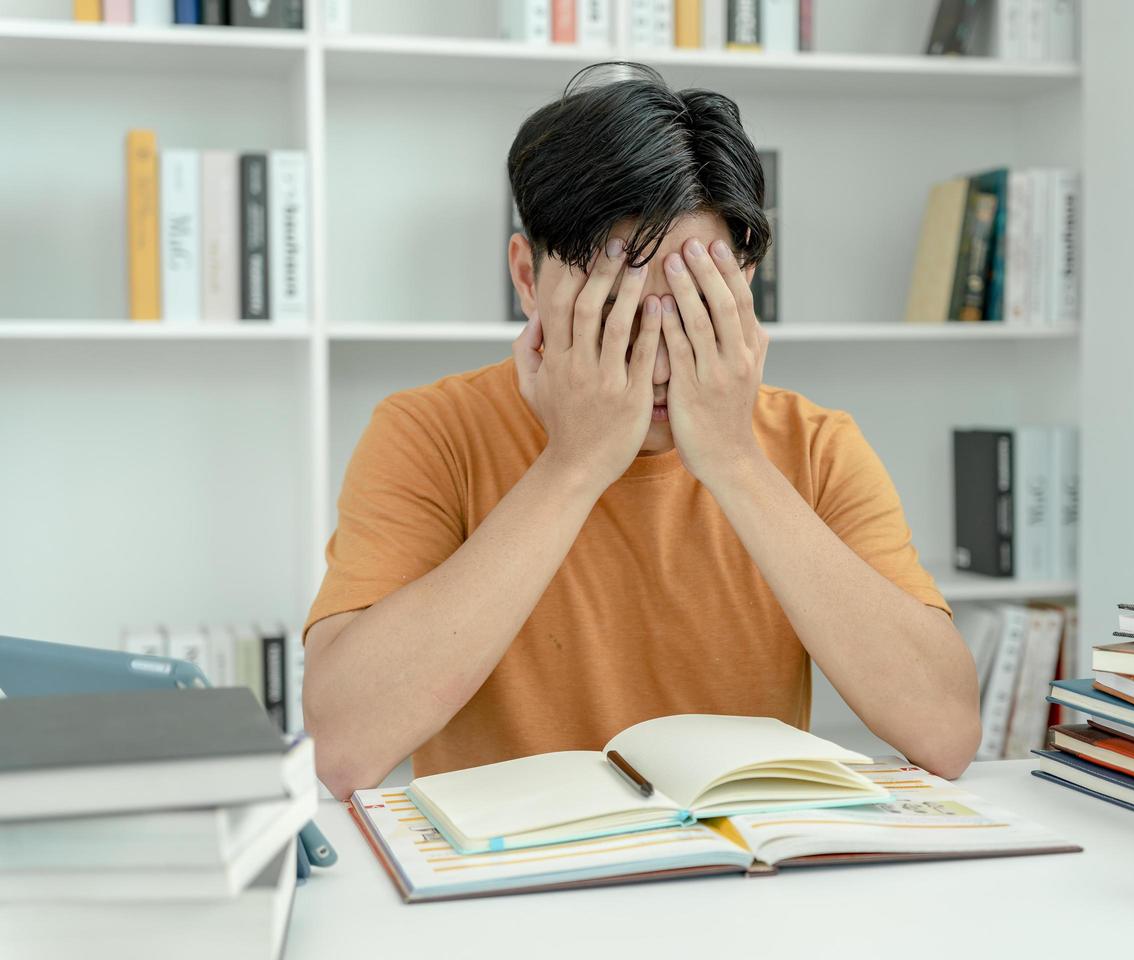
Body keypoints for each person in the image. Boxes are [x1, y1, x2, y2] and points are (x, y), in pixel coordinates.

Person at [302, 63, 979, 799]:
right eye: (614, 307)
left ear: (743, 285)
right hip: (510, 889)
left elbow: (944, 734)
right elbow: (342, 747)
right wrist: (573, 464)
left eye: (691, 303)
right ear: (527, 278)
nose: (655, 352)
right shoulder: (430, 432)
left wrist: (734, 460)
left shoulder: (815, 445)